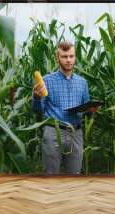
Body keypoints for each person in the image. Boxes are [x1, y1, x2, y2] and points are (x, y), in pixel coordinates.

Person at [32, 41, 99, 174]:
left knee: (74, 175)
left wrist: (91, 110)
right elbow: (37, 110)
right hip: (53, 132)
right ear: (57, 58)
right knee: (50, 175)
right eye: (64, 56)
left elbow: (86, 109)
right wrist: (37, 97)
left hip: (76, 133)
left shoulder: (82, 82)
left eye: (71, 56)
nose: (68, 60)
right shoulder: (46, 81)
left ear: (75, 57)